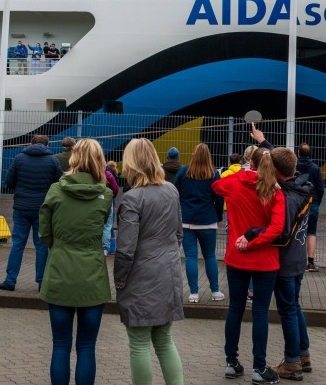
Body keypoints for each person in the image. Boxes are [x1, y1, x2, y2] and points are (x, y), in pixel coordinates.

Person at [39, 138, 113, 385]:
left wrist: (59, 246)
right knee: (86, 347)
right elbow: (102, 229)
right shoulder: (106, 195)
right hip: (92, 276)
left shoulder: (55, 190)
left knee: (60, 345)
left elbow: (44, 234)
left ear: (73, 158)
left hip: (60, 272)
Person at [113, 138, 183, 385]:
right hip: (169, 271)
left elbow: (125, 249)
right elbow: (178, 234)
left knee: (139, 342)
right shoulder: (171, 190)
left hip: (141, 275)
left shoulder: (132, 199)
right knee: (165, 340)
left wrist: (119, 279)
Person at [212, 149, 285, 383]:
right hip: (265, 260)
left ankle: (231, 362)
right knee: (261, 312)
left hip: (236, 256)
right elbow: (277, 229)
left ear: (248, 162)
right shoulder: (275, 192)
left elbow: (215, 187)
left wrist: (241, 173)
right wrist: (254, 241)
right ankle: (259, 367)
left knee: (235, 309)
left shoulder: (233, 183)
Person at [271, 147, 315, 381]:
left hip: (285, 261)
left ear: (276, 170)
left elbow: (281, 233)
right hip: (298, 258)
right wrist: (265, 142)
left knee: (287, 310)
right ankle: (303, 354)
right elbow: (283, 161)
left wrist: (254, 234)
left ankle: (291, 362)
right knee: (295, 307)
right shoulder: (301, 188)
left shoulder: (286, 198)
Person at [0, 134, 64, 291]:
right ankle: (42, 282)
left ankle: (10, 280)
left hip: (21, 207)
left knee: (18, 244)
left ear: (31, 143)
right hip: (42, 209)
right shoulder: (53, 160)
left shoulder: (19, 158)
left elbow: (8, 182)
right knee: (41, 245)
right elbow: (59, 183)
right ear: (47, 145)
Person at [173, 143, 223, 303]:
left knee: (190, 257)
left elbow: (175, 192)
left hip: (187, 221)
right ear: (208, 155)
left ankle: (193, 293)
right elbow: (219, 198)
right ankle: (215, 291)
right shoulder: (214, 174)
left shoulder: (184, 171)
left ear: (194, 154)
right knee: (210, 256)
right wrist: (218, 216)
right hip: (208, 220)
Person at [295, 144, 325, 272]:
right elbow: (321, 188)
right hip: (312, 201)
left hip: (296, 201)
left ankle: (295, 259)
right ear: (310, 154)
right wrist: (317, 201)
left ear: (298, 153)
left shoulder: (293, 165)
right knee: (311, 232)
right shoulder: (315, 168)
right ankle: (310, 262)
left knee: (295, 230)